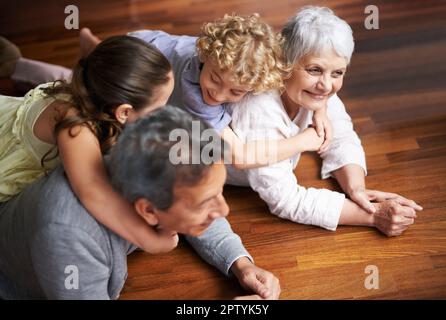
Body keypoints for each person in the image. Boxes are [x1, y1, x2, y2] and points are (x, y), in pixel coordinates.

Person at [0, 106, 281, 300]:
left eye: (219, 192)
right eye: (207, 202)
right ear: (147, 210)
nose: (224, 209)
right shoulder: (66, 238)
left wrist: (241, 264)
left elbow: (196, 204)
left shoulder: (144, 166)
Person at [1, 14, 333, 169]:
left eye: (237, 91)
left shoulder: (226, 62)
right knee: (82, 90)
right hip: (138, 61)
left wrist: (320, 106)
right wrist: (303, 141)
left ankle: (94, 47)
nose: (217, 94)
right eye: (215, 79)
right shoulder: (194, 94)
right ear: (205, 56)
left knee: (93, 63)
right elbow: (240, 156)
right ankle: (28, 66)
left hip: (141, 44)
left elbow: (293, 80)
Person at [225, 6, 423, 236]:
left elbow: (340, 136)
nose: (327, 86)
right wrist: (373, 215)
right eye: (314, 70)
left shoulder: (315, 92)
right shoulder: (258, 108)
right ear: (284, 62)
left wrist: (357, 189)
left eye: (337, 73)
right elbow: (287, 200)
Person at [0, 35, 179, 254]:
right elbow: (94, 191)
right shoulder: (75, 128)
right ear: (123, 112)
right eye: (158, 109)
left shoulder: (95, 85)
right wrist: (150, 241)